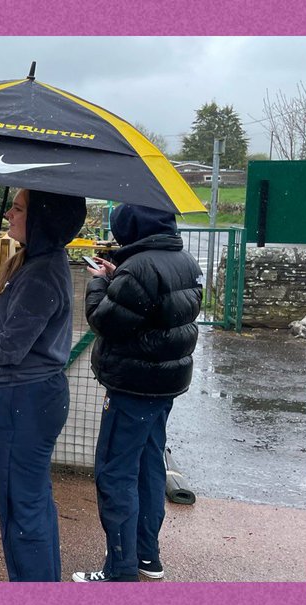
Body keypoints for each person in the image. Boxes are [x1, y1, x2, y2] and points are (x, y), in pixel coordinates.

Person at [72, 205, 203, 583]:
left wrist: (99, 281)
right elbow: (156, 307)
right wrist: (120, 277)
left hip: (132, 386)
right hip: (165, 384)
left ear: (131, 227)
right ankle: (148, 557)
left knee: (115, 474)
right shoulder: (183, 259)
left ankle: (119, 569)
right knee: (149, 468)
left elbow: (104, 321)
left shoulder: (139, 268)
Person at [0, 189, 87, 582]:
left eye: (18, 209)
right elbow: (11, 330)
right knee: (28, 501)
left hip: (24, 402)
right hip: (24, 399)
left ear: (42, 218)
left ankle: (33, 593)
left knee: (21, 506)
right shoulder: (30, 263)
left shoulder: (41, 273)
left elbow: (10, 347)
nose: (10, 214)